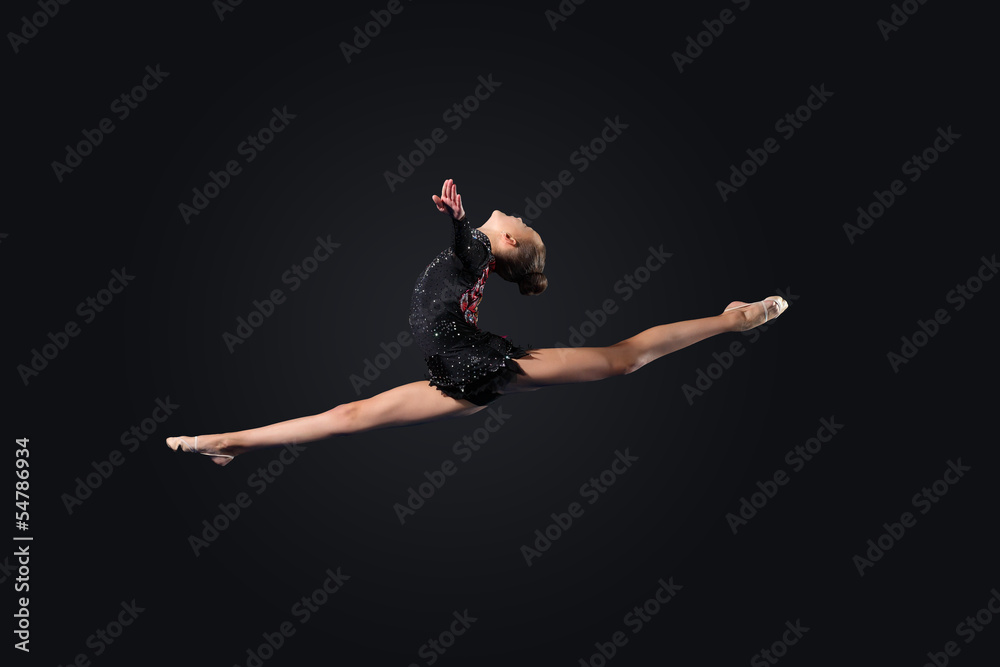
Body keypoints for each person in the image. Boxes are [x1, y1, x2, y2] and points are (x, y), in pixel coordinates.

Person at [167, 179, 787, 465]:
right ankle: (228, 442)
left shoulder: (481, 250)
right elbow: (466, 262)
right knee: (345, 419)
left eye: (515, 219)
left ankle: (732, 321)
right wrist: (461, 229)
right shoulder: (480, 259)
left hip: (474, 362)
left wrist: (460, 222)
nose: (511, 211)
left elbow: (468, 249)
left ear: (509, 240)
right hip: (454, 373)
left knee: (621, 360)